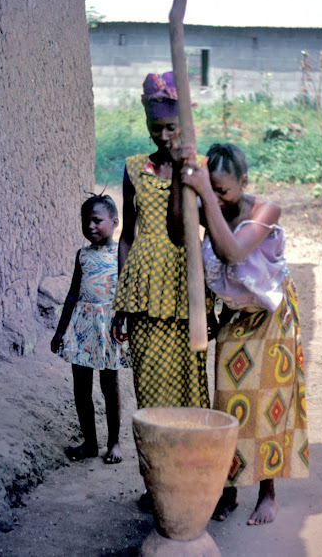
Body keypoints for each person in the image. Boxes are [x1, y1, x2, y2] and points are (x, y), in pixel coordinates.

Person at [169, 142, 309, 526]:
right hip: (235, 316)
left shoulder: (265, 211)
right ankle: (228, 488)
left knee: (268, 403)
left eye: (224, 190)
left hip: (271, 317)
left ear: (244, 182)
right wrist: (182, 181)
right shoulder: (212, 206)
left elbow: (231, 253)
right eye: (211, 190)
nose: (218, 198)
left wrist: (204, 198)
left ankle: (268, 493)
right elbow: (176, 233)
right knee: (228, 403)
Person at [110, 71, 209, 411]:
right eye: (156, 127)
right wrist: (122, 299)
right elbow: (126, 237)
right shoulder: (134, 168)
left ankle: (189, 463)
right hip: (143, 293)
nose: (163, 135)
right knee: (149, 388)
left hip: (185, 288)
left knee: (189, 389)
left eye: (171, 126)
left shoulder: (200, 168)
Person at [51, 193, 130, 464]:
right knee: (81, 387)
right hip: (82, 326)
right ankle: (91, 442)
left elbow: (126, 292)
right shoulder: (82, 255)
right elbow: (73, 294)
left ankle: (114, 442)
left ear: (115, 222)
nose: (91, 227)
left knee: (110, 385)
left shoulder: (120, 251)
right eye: (86, 222)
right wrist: (60, 331)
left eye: (97, 220)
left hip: (108, 326)